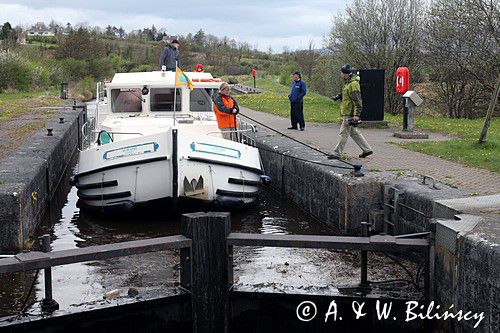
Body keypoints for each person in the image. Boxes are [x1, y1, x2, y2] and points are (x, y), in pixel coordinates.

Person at [329, 64, 373, 159]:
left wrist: (356, 115)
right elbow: (347, 94)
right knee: (354, 132)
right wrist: (339, 96)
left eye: (341, 72)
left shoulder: (353, 84)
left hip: (349, 113)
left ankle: (337, 153)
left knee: (343, 133)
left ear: (345, 74)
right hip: (346, 111)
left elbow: (357, 100)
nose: (341, 74)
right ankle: (367, 150)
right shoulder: (347, 83)